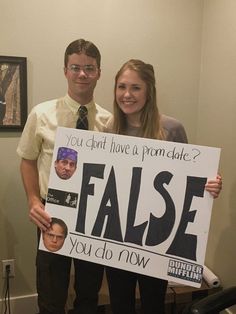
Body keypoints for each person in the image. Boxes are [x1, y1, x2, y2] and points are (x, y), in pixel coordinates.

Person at [105, 59, 222, 314]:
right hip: (118, 236)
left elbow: (191, 178)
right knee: (121, 304)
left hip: (156, 236)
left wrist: (209, 186)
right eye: (121, 86)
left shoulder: (171, 129)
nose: (127, 94)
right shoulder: (109, 129)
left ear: (149, 91)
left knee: (153, 304)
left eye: (135, 87)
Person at [16, 39, 112, 314]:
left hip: (92, 215)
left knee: (89, 291)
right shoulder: (42, 114)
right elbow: (28, 159)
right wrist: (33, 200)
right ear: (65, 71)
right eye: (76, 67)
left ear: (98, 73)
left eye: (89, 68)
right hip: (51, 212)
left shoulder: (109, 121)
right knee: (50, 290)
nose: (82, 74)